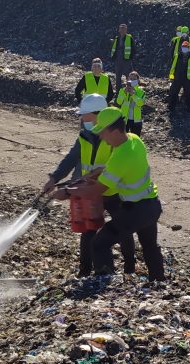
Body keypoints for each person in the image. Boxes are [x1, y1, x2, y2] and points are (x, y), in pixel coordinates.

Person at [45, 94, 136, 277]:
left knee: (123, 230)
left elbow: (118, 164)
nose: (82, 119)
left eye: (85, 115)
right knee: (88, 231)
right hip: (92, 194)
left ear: (97, 115)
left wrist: (71, 189)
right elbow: (71, 158)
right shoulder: (84, 135)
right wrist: (54, 178)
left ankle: (129, 269)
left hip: (114, 192)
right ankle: (85, 271)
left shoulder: (113, 136)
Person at [85, 107, 166, 281]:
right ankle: (159, 281)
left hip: (136, 211)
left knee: (99, 244)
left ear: (114, 131)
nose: (101, 138)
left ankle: (104, 287)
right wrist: (101, 170)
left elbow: (97, 190)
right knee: (150, 247)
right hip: (151, 205)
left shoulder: (120, 155)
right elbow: (123, 168)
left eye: (103, 133)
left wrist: (67, 192)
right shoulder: (134, 139)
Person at [168, 36, 190, 113]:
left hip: (187, 78)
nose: (184, 48)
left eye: (186, 47)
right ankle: (171, 107)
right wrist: (171, 76)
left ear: (189, 48)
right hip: (177, 77)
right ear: (181, 47)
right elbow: (173, 65)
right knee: (174, 92)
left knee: (188, 94)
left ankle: (189, 109)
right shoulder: (177, 56)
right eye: (183, 47)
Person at [116, 70, 146, 135]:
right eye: (131, 79)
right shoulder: (122, 90)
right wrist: (124, 93)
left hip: (136, 120)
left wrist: (133, 94)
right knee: (123, 138)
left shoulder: (141, 92)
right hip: (124, 119)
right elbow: (119, 102)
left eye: (134, 79)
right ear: (128, 79)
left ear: (138, 80)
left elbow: (140, 103)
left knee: (136, 138)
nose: (132, 80)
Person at [108, 23, 135, 94]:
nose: (122, 30)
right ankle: (118, 92)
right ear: (119, 30)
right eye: (121, 28)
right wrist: (113, 57)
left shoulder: (129, 38)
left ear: (126, 30)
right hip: (118, 59)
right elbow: (114, 48)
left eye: (124, 28)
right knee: (118, 76)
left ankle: (131, 90)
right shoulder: (117, 38)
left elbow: (133, 48)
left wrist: (130, 58)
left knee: (129, 76)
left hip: (126, 60)